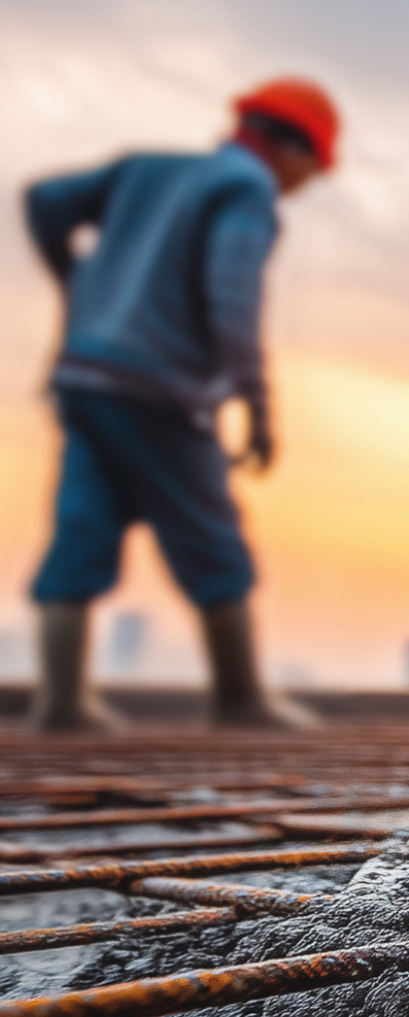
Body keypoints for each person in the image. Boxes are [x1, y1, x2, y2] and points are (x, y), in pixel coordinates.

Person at [21, 77, 342, 734]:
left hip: (86, 377)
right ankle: (240, 697)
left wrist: (76, 283)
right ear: (292, 148)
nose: (307, 183)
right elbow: (233, 302)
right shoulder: (244, 189)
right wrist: (256, 405)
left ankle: (59, 703)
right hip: (160, 389)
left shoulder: (146, 170)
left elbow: (43, 202)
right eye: (313, 168)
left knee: (82, 527)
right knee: (213, 536)